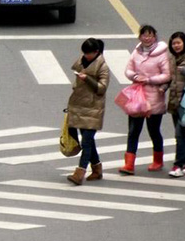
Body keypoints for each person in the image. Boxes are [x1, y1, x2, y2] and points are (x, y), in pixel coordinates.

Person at [119, 25, 171, 175]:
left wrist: (149, 79)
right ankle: (129, 164)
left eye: (150, 35)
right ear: (140, 37)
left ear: (155, 36)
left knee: (154, 130)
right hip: (137, 97)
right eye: (144, 35)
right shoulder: (136, 52)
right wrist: (135, 77)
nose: (147, 38)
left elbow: (166, 75)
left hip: (154, 97)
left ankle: (158, 160)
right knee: (133, 131)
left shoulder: (162, 54)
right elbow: (128, 70)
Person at [66, 38, 109, 185]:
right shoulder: (81, 61)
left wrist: (87, 79)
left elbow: (102, 88)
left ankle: (80, 172)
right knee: (88, 141)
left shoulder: (102, 67)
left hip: (93, 108)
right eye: (84, 53)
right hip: (79, 105)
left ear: (96, 52)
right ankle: (97, 169)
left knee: (86, 141)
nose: (86, 56)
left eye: (89, 53)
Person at [166, 32, 185, 177]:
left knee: (180, 134)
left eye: (178, 42)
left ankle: (178, 165)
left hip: (184, 104)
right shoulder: (172, 59)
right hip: (175, 102)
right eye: (174, 43)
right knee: (180, 135)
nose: (176, 46)